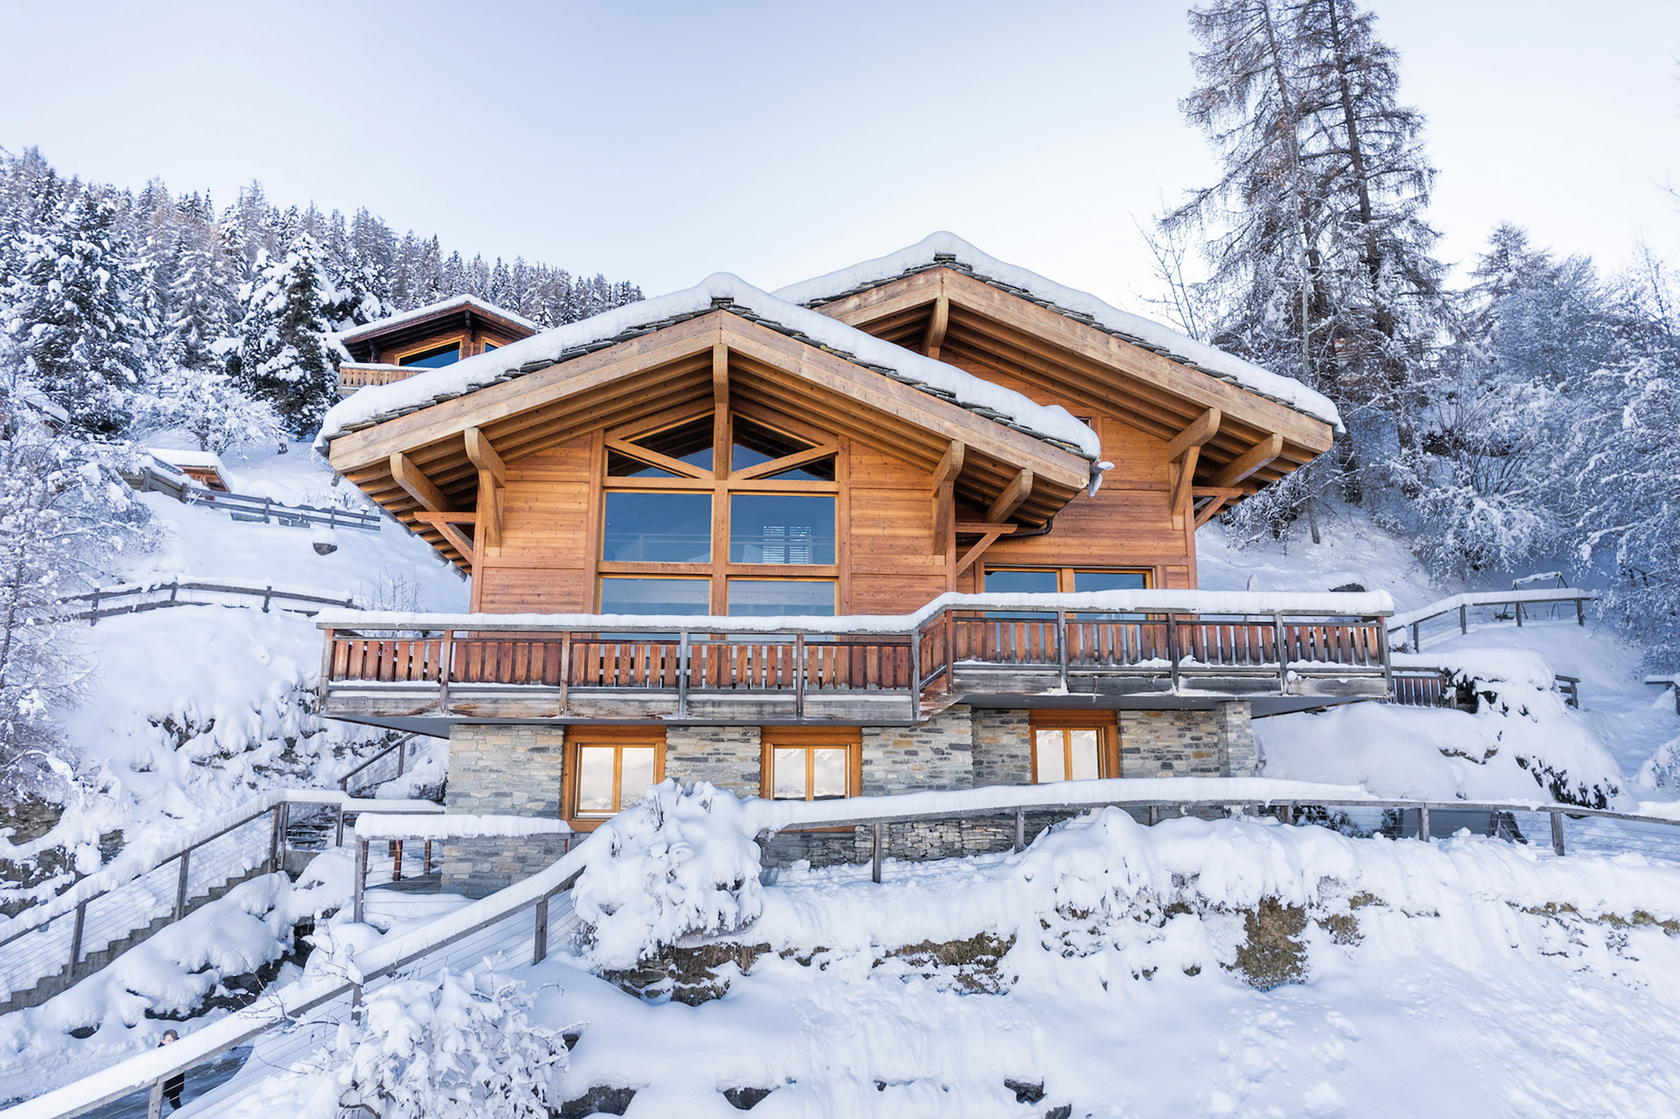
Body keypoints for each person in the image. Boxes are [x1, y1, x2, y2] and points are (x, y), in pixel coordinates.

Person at [155, 1030, 186, 1112]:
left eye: (173, 1040)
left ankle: (178, 1112)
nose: (171, 1042)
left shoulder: (178, 1048)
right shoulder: (160, 1051)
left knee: (174, 1096)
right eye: (169, 1040)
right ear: (163, 1041)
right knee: (159, 1097)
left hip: (176, 1078)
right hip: (165, 1079)